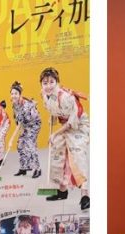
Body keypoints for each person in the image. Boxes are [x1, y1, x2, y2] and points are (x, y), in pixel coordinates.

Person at [40, 67, 90, 210]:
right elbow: (52, 110)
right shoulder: (45, 94)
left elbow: (71, 122)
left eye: (51, 82)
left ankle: (85, 195)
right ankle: (62, 190)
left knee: (76, 152)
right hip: (65, 124)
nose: (48, 85)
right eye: (45, 82)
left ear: (57, 82)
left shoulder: (67, 97)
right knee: (57, 149)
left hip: (78, 125)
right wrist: (53, 120)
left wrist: (55, 133)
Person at [9, 81, 43, 178]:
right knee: (20, 144)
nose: (13, 95)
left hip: (34, 124)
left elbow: (19, 125)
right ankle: (23, 168)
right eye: (12, 93)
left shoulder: (25, 106)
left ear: (20, 94)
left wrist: (11, 139)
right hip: (25, 124)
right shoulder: (15, 105)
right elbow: (19, 122)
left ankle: (37, 169)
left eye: (16, 93)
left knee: (29, 143)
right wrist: (19, 137)